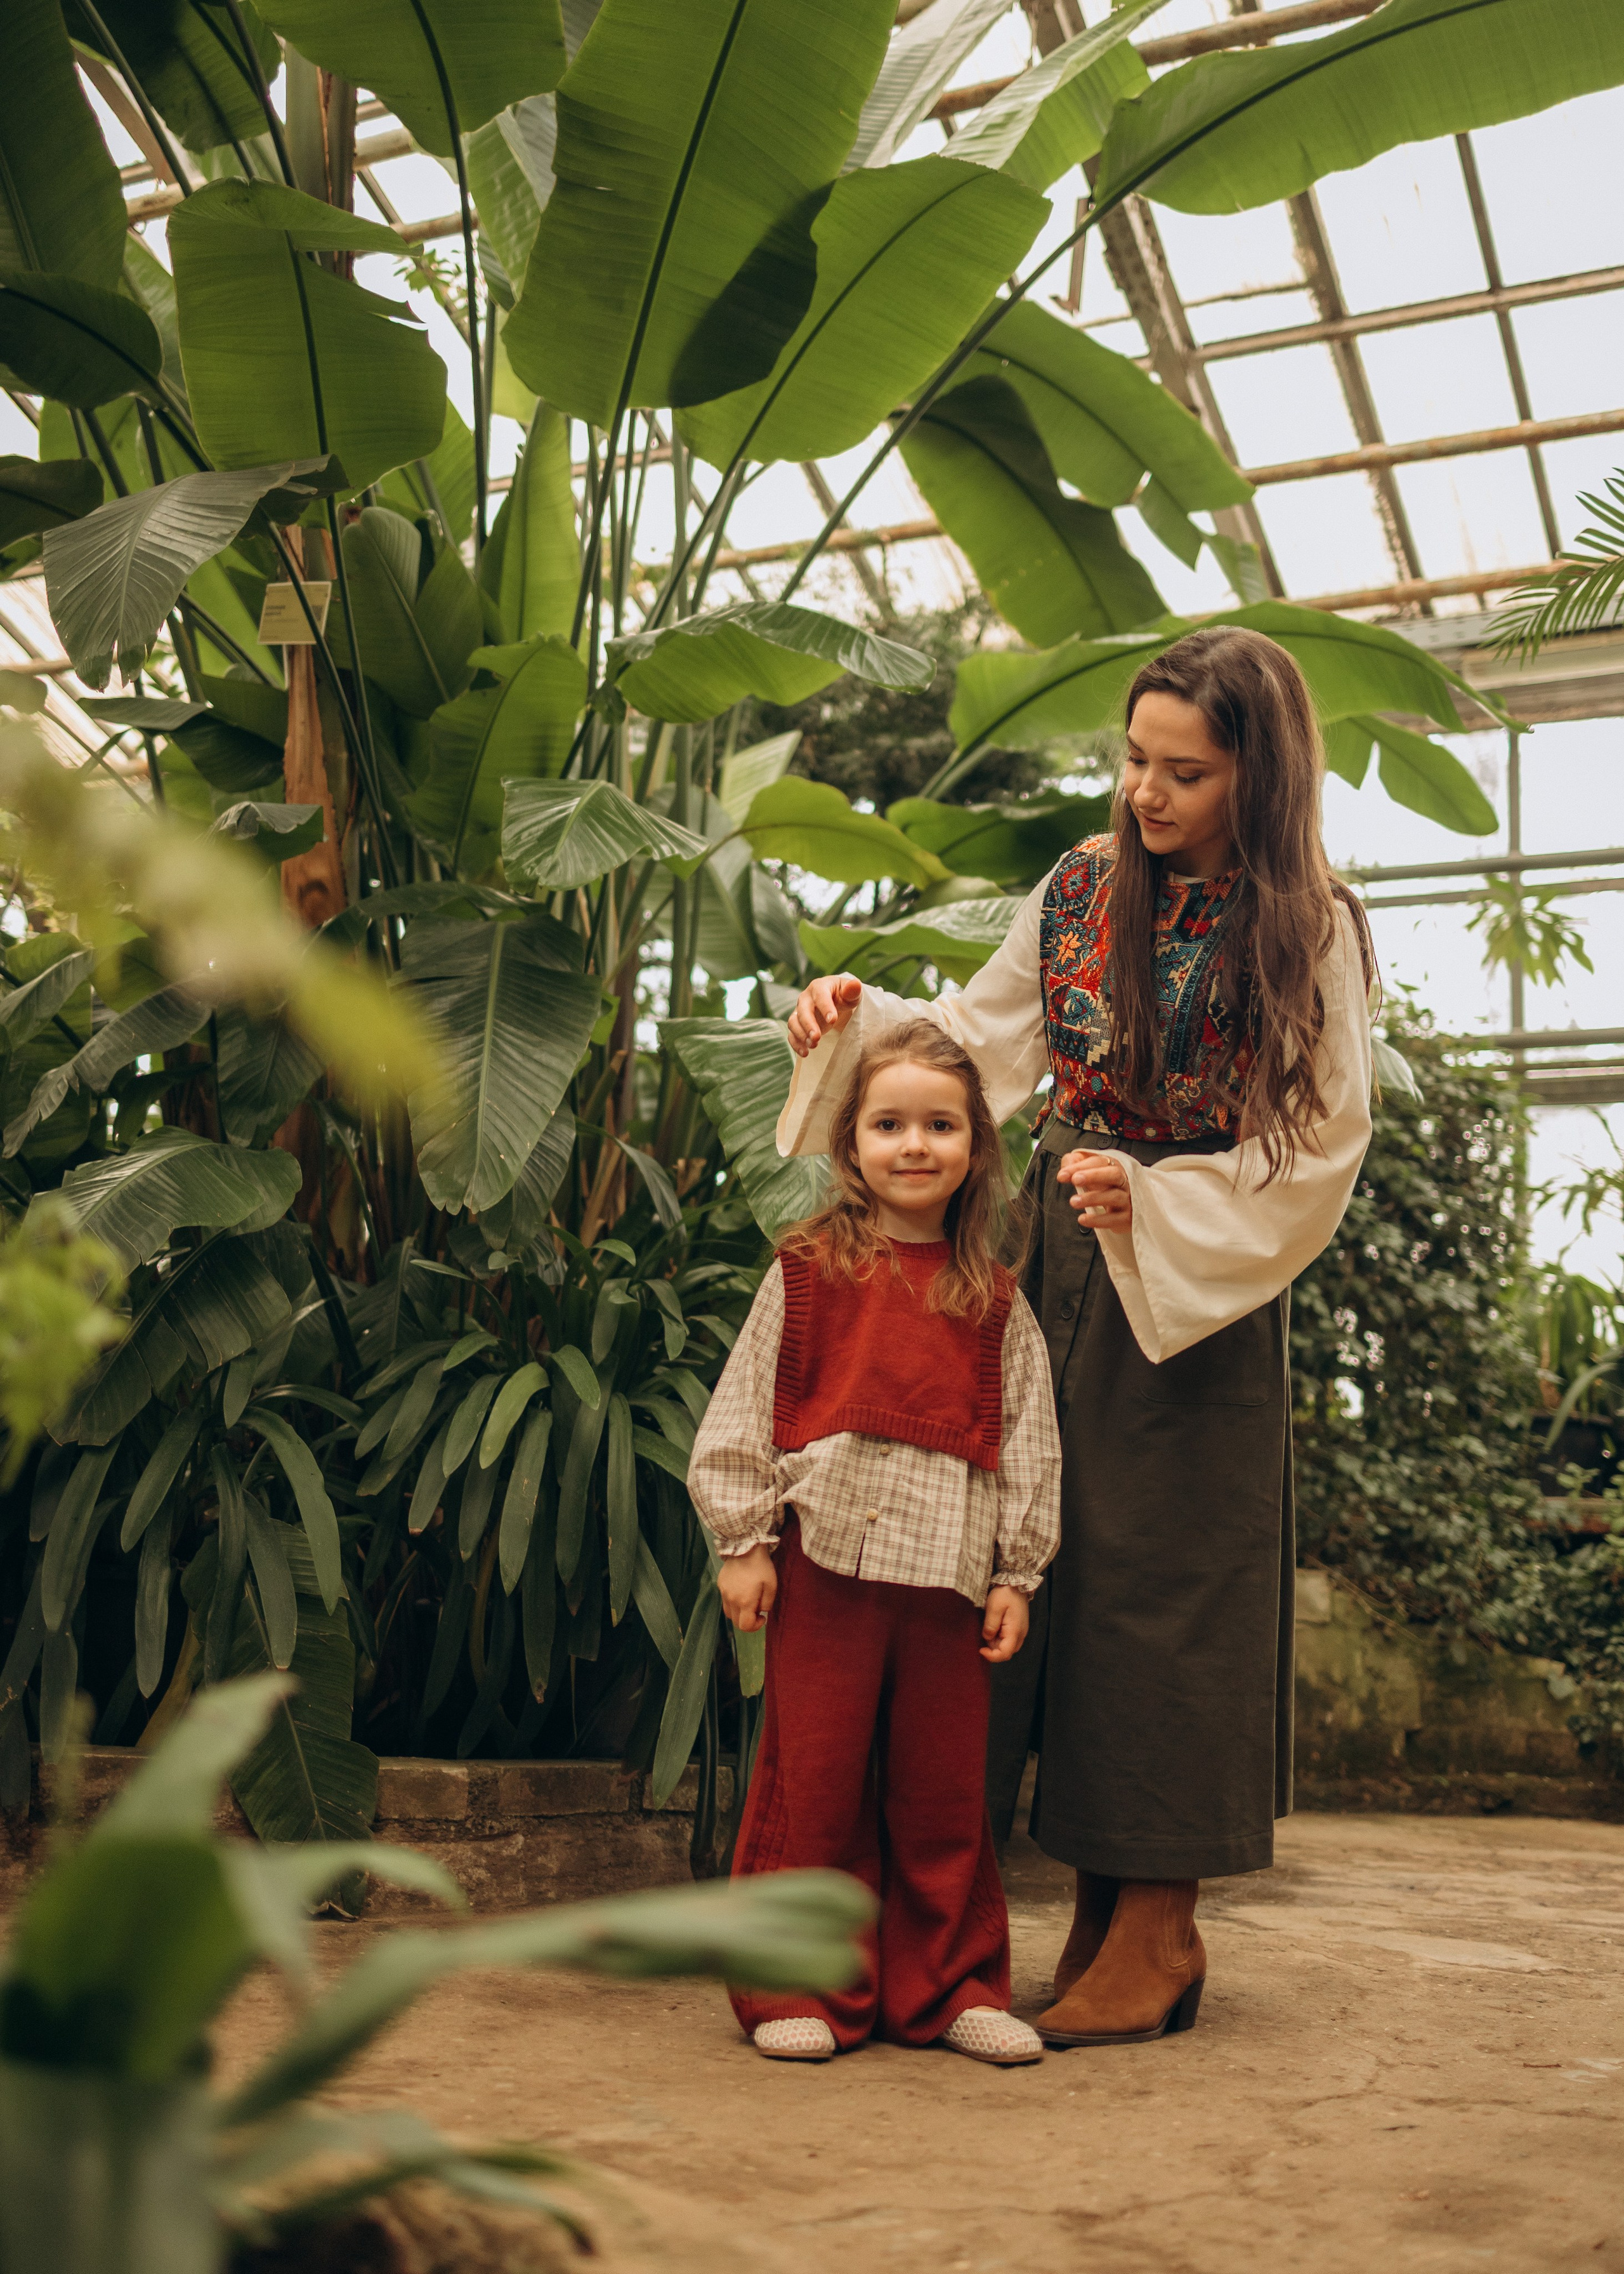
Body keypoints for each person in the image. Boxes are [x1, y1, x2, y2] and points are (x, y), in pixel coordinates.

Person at [782, 625, 1376, 2051]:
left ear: (1258, 777)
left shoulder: (1306, 925)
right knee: (1031, 1562)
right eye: (1133, 759)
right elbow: (977, 1046)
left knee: (1157, 1583)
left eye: (1184, 771)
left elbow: (1321, 1142)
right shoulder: (1075, 895)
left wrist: (1163, 1203)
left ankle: (1157, 1923)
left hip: (1191, 1284)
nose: (1146, 793)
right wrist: (846, 1026)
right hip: (1046, 1255)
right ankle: (1069, 1916)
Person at [688, 1023, 1061, 2066]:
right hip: (827, 1574)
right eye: (888, 1123)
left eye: (940, 1126)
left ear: (976, 1151)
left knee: (944, 1796)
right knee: (814, 1787)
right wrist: (743, 1542)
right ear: (849, 1147)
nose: (914, 1145)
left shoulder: (994, 1301)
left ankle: (950, 1990)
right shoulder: (807, 1273)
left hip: (947, 1589)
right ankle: (795, 1989)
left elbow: (1029, 1441)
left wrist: (1016, 1576)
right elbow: (743, 1409)